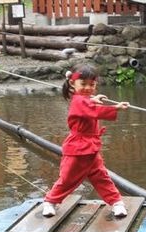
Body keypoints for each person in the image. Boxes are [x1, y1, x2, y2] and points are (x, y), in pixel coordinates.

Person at [42, 63, 129, 218]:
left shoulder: (84, 99)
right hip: (78, 148)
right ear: (72, 83)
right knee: (67, 178)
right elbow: (92, 110)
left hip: (91, 149)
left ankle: (116, 202)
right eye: (83, 84)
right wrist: (116, 107)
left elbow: (88, 103)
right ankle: (50, 201)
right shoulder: (78, 101)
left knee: (101, 176)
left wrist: (94, 98)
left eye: (92, 85)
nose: (88, 88)